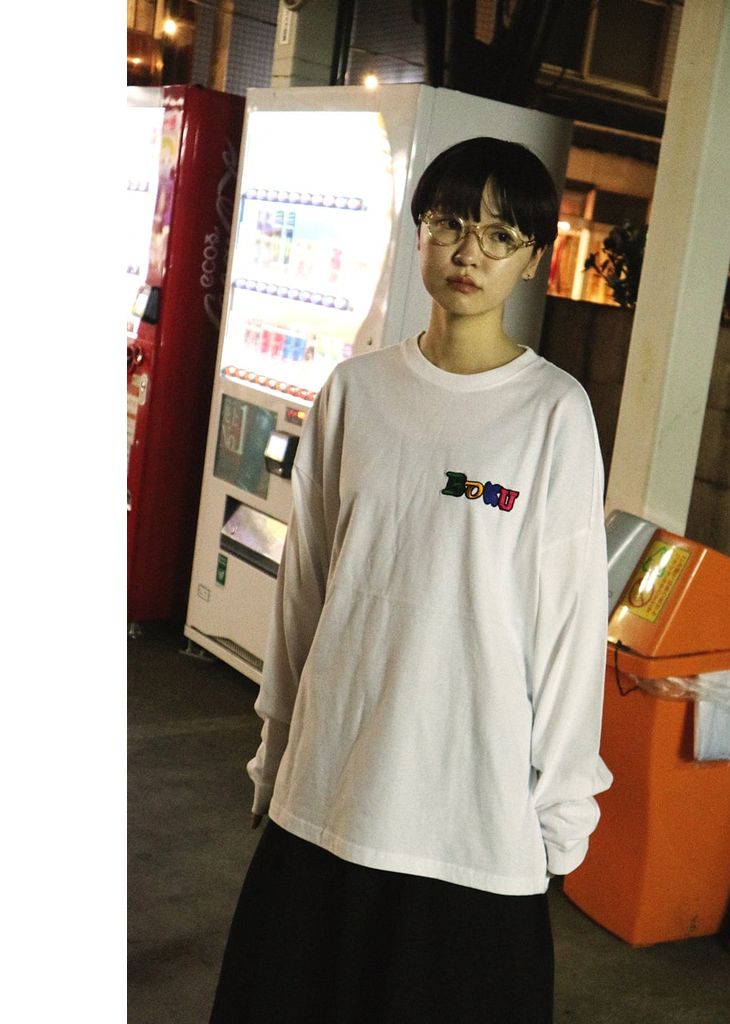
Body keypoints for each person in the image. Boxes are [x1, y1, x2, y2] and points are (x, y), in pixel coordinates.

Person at [210, 136, 612, 1023]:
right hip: (328, 794)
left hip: (469, 820)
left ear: (533, 260)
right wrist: (276, 754)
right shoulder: (355, 392)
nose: (469, 252)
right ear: (418, 230)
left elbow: (571, 630)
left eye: (499, 235)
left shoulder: (553, 413)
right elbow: (305, 594)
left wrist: (560, 816)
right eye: (450, 223)